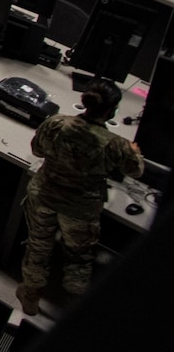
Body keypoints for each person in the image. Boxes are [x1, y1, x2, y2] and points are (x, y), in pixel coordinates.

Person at [18, 79, 142, 315]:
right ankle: (73, 304)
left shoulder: (56, 123)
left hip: (44, 195)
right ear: (112, 110)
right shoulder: (116, 145)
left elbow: (37, 150)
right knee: (79, 257)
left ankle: (31, 297)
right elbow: (135, 171)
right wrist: (134, 152)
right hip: (81, 209)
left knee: (38, 246)